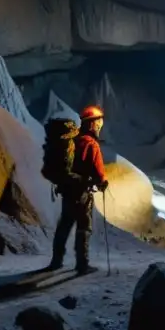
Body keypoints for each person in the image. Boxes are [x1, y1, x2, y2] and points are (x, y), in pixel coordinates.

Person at [48, 105, 109, 274]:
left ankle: (56, 260)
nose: (99, 126)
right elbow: (98, 172)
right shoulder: (91, 145)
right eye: (98, 123)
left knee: (65, 224)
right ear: (92, 124)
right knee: (84, 226)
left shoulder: (72, 140)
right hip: (82, 191)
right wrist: (102, 182)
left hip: (67, 189)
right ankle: (82, 264)